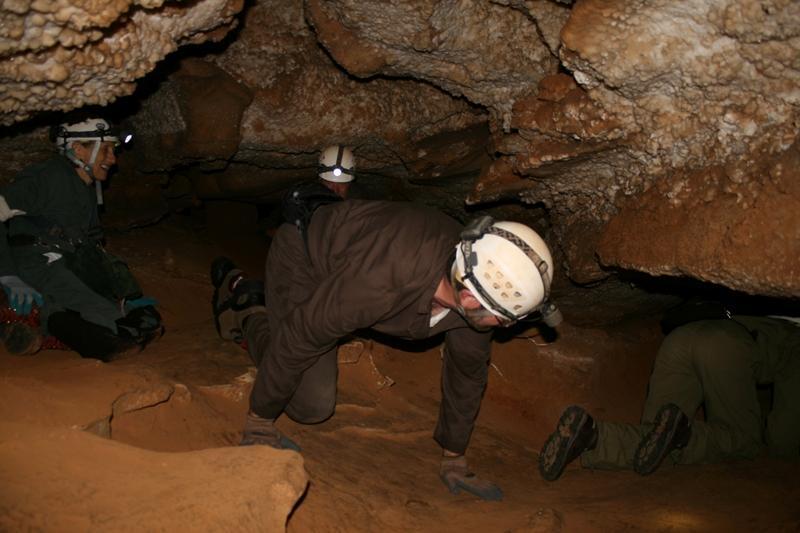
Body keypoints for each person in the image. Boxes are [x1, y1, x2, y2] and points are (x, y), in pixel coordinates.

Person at [212, 203, 560, 501]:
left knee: (332, 334)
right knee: (311, 404)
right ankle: (250, 309)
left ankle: (274, 314)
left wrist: (454, 457)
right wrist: (259, 420)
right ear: (469, 298)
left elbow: (467, 373)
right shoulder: (387, 278)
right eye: (501, 320)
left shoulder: (475, 277)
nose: (502, 327)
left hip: (355, 270)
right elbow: (303, 333)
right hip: (308, 260)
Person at [538, 314, 800, 481]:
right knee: (743, 439)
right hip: (725, 344)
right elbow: (784, 436)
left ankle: (592, 436)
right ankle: (684, 435)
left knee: (654, 436)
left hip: (683, 335)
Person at [0, 117, 162, 361]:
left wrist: (120, 291)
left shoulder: (87, 189)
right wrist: (7, 273)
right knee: (112, 327)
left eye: (113, 150)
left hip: (70, 262)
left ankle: (48, 323)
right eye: (106, 149)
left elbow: (92, 248)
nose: (112, 159)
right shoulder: (48, 177)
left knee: (147, 319)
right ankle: (39, 320)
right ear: (78, 149)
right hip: (37, 261)